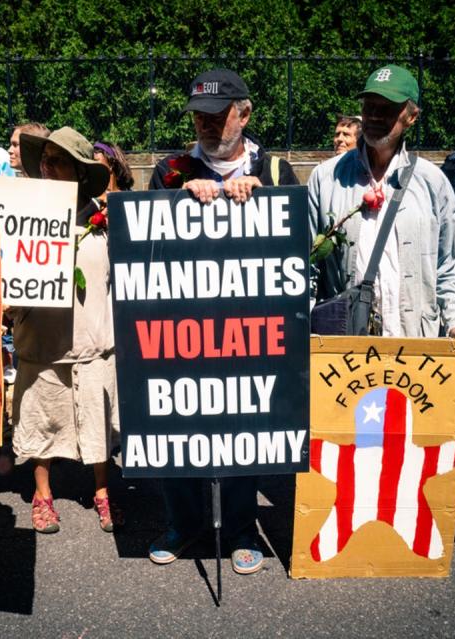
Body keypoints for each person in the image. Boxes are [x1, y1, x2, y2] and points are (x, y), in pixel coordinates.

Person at [147, 68, 299, 575]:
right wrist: (175, 203)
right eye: (200, 118)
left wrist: (266, 206)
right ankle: (185, 523)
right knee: (178, 424)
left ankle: (239, 528)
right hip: (180, 331)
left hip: (250, 331)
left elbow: (298, 252)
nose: (208, 126)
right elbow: (143, 253)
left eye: (218, 116)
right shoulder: (170, 170)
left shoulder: (276, 171)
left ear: (245, 113)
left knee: (244, 428)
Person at [309, 64, 455, 342]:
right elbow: (308, 267)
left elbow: (446, 269)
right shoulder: (327, 178)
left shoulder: (433, 183)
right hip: (345, 344)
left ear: (411, 117)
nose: (374, 115)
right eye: (369, 106)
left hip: (413, 340)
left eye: (387, 108)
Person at [10, 127, 120, 533]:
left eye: (58, 161)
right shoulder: (22, 214)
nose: (48, 167)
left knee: (96, 421)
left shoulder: (104, 219)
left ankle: (103, 491)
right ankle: (42, 495)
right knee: (41, 421)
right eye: (45, 160)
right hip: (40, 341)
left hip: (91, 341)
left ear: (77, 171)